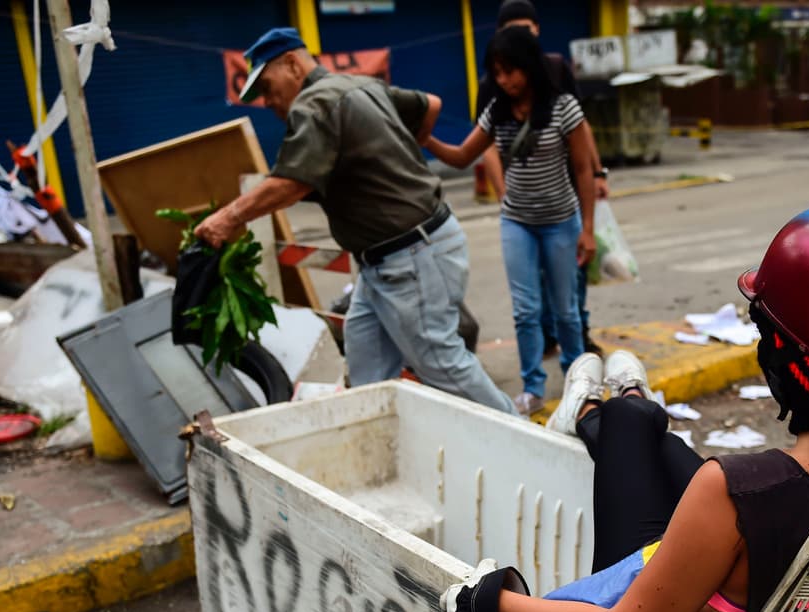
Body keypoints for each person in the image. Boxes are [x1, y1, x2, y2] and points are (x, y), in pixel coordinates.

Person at [440, 203, 809, 612]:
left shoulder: (735, 494)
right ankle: (616, 409)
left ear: (782, 359)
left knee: (631, 426)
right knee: (652, 442)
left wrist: (488, 603)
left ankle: (607, 411)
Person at [196, 28, 516, 415]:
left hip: (412, 256)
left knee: (441, 364)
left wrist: (228, 217)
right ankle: (380, 455)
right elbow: (429, 105)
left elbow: (292, 183)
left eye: (266, 86)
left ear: (293, 64)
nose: (268, 101)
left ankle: (530, 444)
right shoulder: (359, 85)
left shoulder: (314, 103)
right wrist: (395, 157)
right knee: (367, 372)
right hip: (384, 261)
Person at [422, 27, 599, 416]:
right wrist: (426, 139)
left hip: (561, 221)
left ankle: (577, 381)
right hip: (517, 222)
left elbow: (584, 170)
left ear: (529, 66)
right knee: (525, 310)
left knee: (566, 309)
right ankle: (532, 386)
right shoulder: (496, 111)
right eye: (498, 73)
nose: (505, 81)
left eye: (511, 71)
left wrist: (588, 229)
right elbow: (461, 156)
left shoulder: (563, 106)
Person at [477, 0, 609, 359]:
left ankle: (578, 343)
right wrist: (505, 192)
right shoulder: (497, 78)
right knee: (530, 288)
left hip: (564, 197)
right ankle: (548, 345)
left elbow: (581, 127)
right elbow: (483, 144)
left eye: (528, 28)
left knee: (571, 283)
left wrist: (598, 173)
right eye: (513, 29)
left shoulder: (553, 69)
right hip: (522, 203)